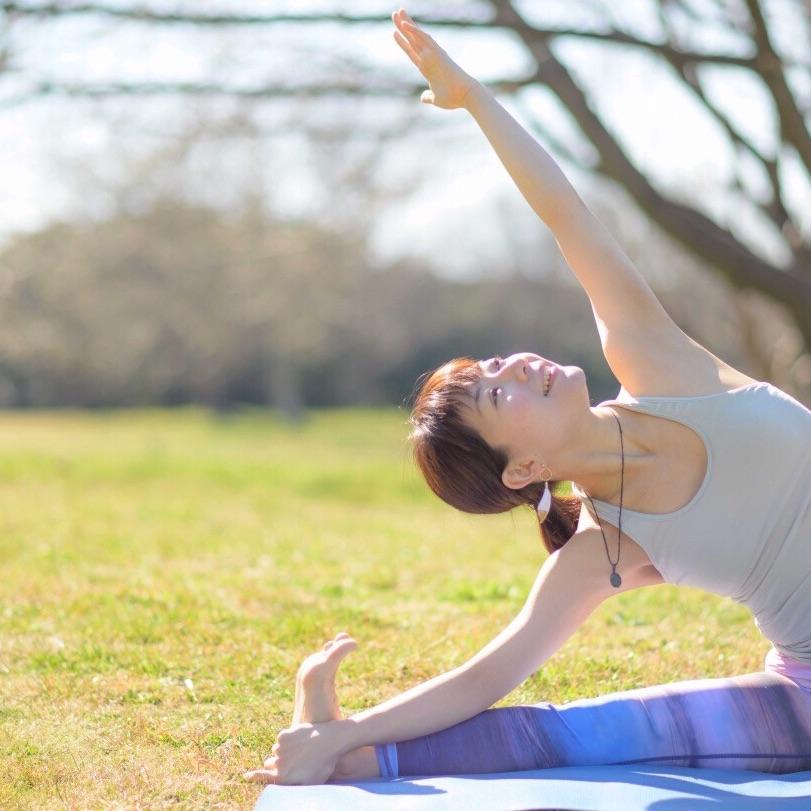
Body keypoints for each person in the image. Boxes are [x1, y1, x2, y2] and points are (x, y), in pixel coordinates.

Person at [244, 7, 811, 786]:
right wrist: (354, 732)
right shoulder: (604, 549)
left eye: (495, 363)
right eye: (498, 394)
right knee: (587, 736)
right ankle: (339, 748)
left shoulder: (655, 364)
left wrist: (474, 97)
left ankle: (337, 748)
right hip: (805, 698)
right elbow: (488, 676)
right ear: (521, 469)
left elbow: (564, 214)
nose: (515, 364)